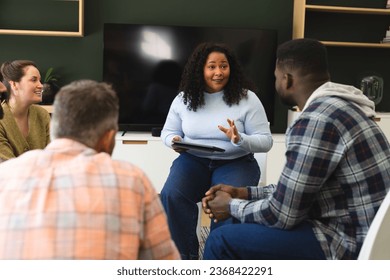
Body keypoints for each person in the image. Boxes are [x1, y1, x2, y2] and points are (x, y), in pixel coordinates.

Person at [201, 38, 390, 260]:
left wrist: (232, 205)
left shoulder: (315, 121)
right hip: (365, 234)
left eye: (275, 78)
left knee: (220, 241)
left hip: (346, 244)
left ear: (287, 79)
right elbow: (295, 191)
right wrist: (243, 193)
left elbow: (283, 214)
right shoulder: (343, 107)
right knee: (233, 220)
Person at [0, 80, 179, 260]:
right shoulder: (132, 180)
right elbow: (163, 263)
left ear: (54, 128)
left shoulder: (5, 174)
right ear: (108, 138)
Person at [160, 42, 273, 259]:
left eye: (224, 66)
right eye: (212, 67)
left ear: (232, 69)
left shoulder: (247, 98)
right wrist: (174, 140)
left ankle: (218, 260)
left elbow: (266, 142)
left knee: (224, 203)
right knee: (172, 195)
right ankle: (184, 259)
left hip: (236, 161)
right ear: (200, 69)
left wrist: (239, 139)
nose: (218, 72)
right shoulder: (184, 98)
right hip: (193, 160)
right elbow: (168, 132)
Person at [0, 60, 50, 161]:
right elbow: (7, 165)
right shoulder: (1, 120)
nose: (40, 85)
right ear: (14, 85)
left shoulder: (42, 114)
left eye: (40, 80)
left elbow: (53, 154)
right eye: (33, 80)